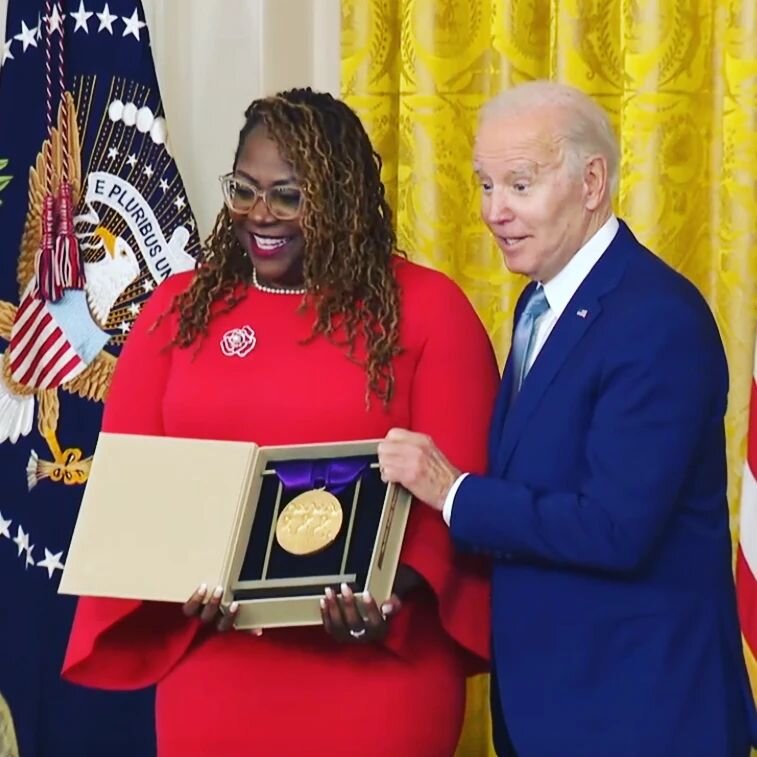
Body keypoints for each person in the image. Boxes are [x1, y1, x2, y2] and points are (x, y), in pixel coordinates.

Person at [61, 88, 500, 757]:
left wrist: (381, 592)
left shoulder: (431, 310)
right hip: (214, 671)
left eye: (287, 196)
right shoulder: (177, 310)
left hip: (376, 675)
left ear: (341, 196)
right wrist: (174, 578)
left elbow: (464, 494)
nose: (260, 215)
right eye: (244, 189)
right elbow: (133, 489)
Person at [378, 80, 757, 757]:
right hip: (554, 708)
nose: (494, 212)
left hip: (643, 715)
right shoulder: (538, 305)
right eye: (484, 185)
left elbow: (613, 528)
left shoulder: (654, 318)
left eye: (518, 185)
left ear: (590, 182)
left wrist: (453, 491)